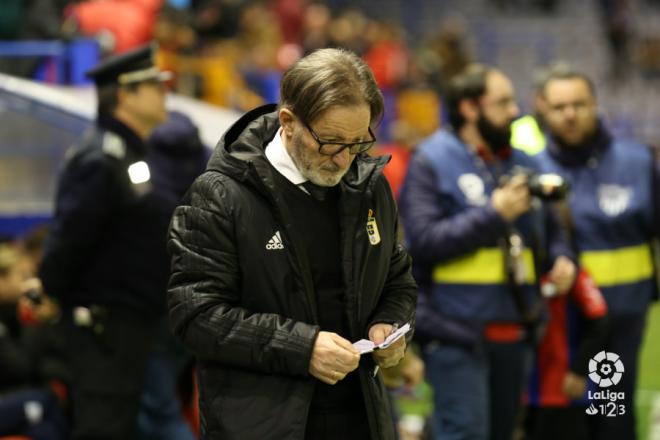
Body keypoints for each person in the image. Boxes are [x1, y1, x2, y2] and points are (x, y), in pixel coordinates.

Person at [167, 47, 418, 440]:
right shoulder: (221, 196)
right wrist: (303, 348)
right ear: (288, 121)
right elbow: (196, 315)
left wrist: (391, 325)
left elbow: (397, 277)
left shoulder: (369, 186)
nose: (343, 160)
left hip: (360, 418)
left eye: (358, 143)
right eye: (331, 142)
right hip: (261, 423)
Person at [398, 64, 577, 440]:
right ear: (469, 108)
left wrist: (563, 259)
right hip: (455, 334)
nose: (516, 111)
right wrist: (493, 216)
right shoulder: (432, 160)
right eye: (503, 102)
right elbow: (424, 242)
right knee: (465, 433)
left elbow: (553, 232)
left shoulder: (523, 160)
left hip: (516, 331)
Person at [38, 43, 171, 439]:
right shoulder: (99, 159)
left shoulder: (130, 153)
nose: (165, 93)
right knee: (103, 428)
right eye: (154, 85)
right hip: (104, 328)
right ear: (125, 94)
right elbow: (71, 236)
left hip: (129, 324)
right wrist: (49, 288)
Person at [534, 68, 659, 440]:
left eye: (578, 104)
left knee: (610, 417)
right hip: (556, 323)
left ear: (595, 105)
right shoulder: (534, 168)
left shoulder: (636, 162)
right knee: (558, 425)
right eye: (559, 106)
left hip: (620, 318)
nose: (570, 114)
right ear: (543, 109)